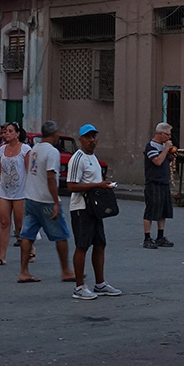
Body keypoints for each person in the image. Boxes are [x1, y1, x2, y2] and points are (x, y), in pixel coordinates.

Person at [66, 125, 121, 299]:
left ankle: (100, 283)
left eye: (94, 136)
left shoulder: (94, 158)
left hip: (95, 208)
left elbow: (94, 180)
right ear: (81, 139)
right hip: (81, 208)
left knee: (100, 244)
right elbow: (71, 185)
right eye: (88, 137)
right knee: (82, 246)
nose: (92, 140)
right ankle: (79, 287)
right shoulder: (78, 158)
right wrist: (98, 185)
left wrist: (104, 183)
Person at [18, 120, 73, 283]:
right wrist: (56, 201)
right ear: (55, 134)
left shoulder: (36, 149)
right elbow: (50, 176)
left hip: (31, 197)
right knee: (61, 235)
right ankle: (66, 270)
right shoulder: (52, 152)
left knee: (28, 235)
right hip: (45, 199)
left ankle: (24, 271)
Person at [0, 122, 30, 266]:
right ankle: (2, 256)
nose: (6, 134)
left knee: (20, 224)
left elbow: (29, 170)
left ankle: (30, 250)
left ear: (17, 134)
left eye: (9, 131)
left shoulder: (25, 149)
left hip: (20, 192)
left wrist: (31, 190)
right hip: (4, 191)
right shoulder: (2, 150)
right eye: (5, 131)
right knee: (4, 223)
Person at [143, 122, 175, 248]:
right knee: (151, 211)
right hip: (153, 182)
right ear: (160, 134)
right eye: (167, 135)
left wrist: (171, 156)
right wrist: (166, 149)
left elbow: (165, 160)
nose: (169, 138)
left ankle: (160, 236)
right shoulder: (151, 146)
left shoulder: (163, 146)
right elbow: (157, 161)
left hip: (164, 182)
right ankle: (147, 237)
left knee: (163, 211)